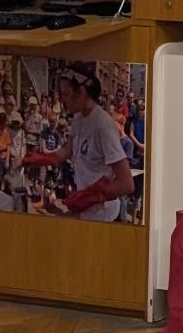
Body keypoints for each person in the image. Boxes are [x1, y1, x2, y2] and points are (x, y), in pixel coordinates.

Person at [22, 69, 135, 221]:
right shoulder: (78, 117)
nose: (62, 99)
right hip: (86, 212)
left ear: (81, 92)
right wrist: (42, 158)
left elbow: (126, 184)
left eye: (66, 94)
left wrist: (89, 197)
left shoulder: (103, 125)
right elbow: (67, 150)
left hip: (104, 216)